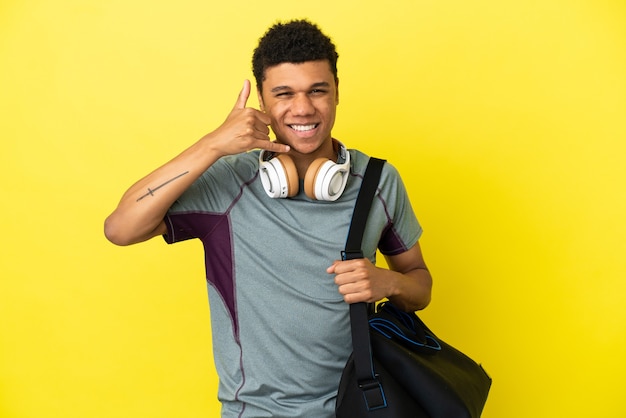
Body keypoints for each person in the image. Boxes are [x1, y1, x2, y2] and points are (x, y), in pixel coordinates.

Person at [104, 19, 432, 418]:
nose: (303, 108)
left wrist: (389, 282)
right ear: (262, 101)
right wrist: (213, 144)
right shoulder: (228, 181)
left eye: (317, 90)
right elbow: (120, 228)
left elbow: (420, 286)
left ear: (337, 92)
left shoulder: (378, 181)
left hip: (357, 409)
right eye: (284, 94)